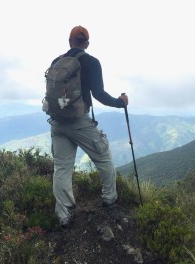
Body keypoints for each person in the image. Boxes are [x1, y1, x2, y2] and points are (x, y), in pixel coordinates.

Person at [49, 25, 129, 227]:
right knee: (103, 156)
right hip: (79, 122)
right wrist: (120, 102)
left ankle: (64, 215)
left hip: (57, 122)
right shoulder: (91, 62)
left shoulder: (56, 62)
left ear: (69, 42)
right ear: (87, 43)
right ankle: (110, 198)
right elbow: (99, 94)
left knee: (62, 168)